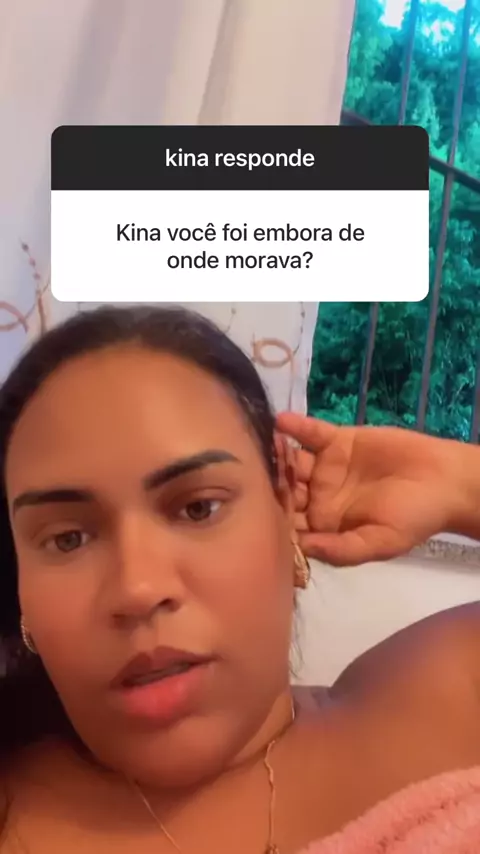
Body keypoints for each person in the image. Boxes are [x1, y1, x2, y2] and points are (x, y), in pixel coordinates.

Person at [0, 304, 479, 854]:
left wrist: (462, 484)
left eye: (198, 508)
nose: (138, 589)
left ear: (284, 500)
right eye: (68, 539)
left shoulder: (452, 695)